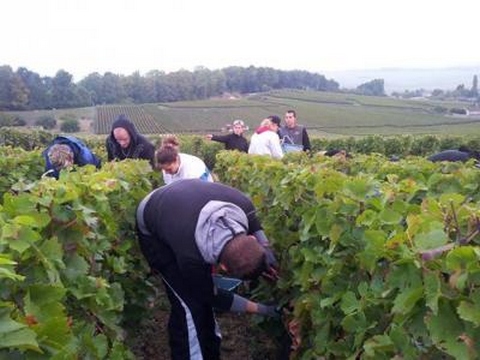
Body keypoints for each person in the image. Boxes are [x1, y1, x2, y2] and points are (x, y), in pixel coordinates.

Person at [136, 179, 279, 359]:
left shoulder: (243, 204)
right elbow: (211, 296)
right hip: (152, 218)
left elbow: (259, 235)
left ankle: (211, 350)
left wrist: (266, 254)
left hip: (183, 198)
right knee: (189, 304)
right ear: (223, 268)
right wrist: (263, 309)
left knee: (201, 301)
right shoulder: (190, 258)